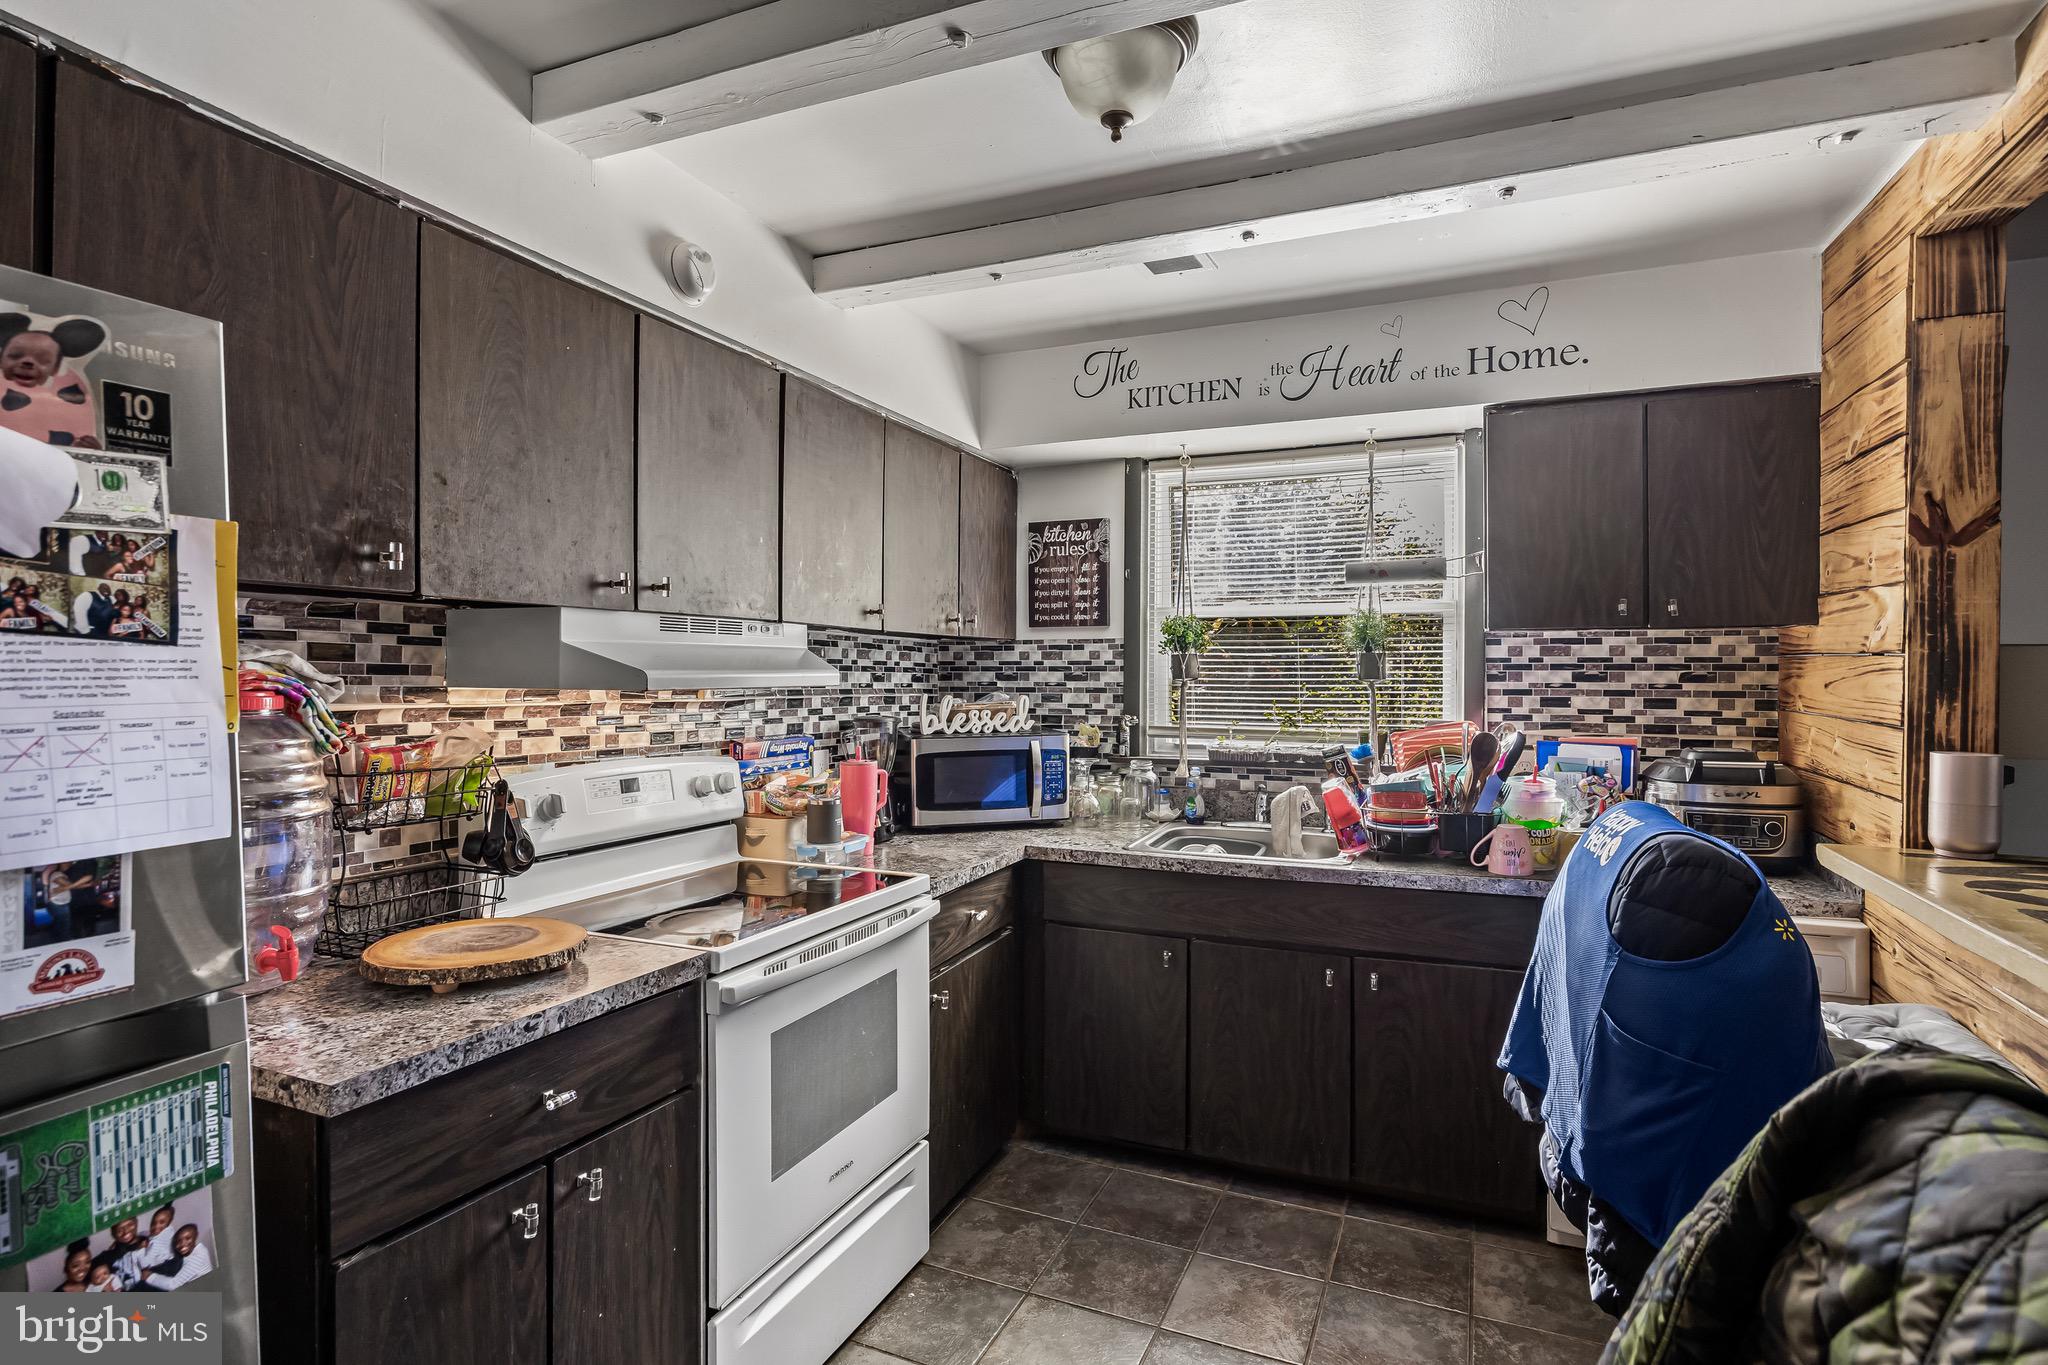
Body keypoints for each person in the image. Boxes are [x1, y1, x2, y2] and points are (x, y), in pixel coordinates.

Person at [137, 1224, 212, 1291]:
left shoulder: (197, 1259)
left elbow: (173, 1285)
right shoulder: (200, 1248)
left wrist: (149, 1276)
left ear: (196, 1236)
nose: (182, 1244)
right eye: (178, 1241)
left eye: (188, 1238)